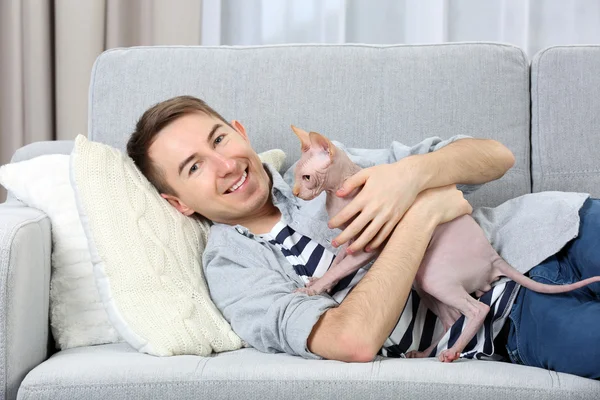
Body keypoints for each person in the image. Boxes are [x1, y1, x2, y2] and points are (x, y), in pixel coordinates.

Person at [126, 95, 600, 379]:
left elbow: (495, 157)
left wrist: (413, 175)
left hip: (556, 226)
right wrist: (423, 212)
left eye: (219, 140)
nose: (225, 165)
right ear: (178, 204)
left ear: (240, 132)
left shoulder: (327, 166)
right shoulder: (233, 268)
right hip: (512, 319)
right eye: (194, 167)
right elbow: (351, 341)